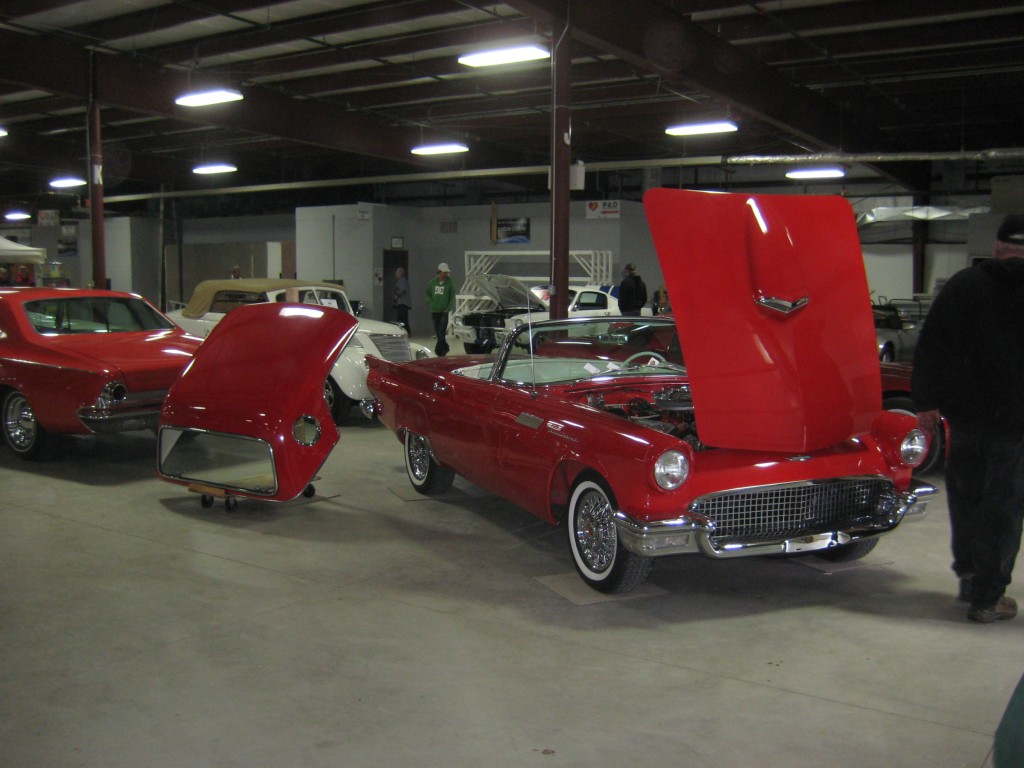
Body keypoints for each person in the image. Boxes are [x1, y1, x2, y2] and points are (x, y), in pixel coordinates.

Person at [911, 213, 1024, 623]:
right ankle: (988, 597)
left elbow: (931, 345)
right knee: (1004, 505)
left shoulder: (963, 285)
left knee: (967, 497)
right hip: (1015, 421)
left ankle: (971, 577)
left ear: (996, 247)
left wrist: (926, 402)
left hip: (966, 417)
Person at [425, 262, 455, 356]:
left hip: (444, 311)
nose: (445, 274)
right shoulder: (432, 283)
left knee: (442, 331)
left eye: (446, 272)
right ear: (439, 272)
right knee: (438, 332)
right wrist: (431, 302)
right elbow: (427, 294)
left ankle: (439, 351)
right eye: (444, 272)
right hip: (434, 310)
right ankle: (445, 347)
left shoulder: (450, 283)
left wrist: (448, 308)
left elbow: (452, 297)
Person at [392, 267, 411, 334]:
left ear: (400, 273)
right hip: (401, 303)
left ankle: (404, 332)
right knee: (403, 319)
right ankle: (407, 332)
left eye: (397, 272)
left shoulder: (402, 281)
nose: (396, 274)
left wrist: (396, 296)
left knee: (401, 319)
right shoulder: (401, 281)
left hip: (403, 303)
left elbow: (400, 290)